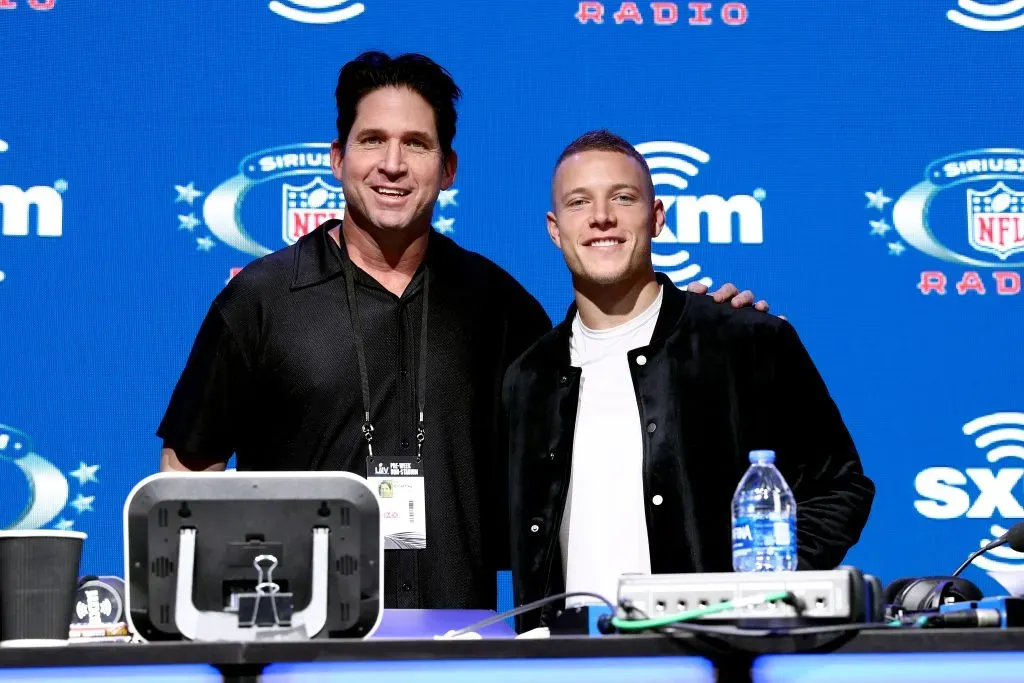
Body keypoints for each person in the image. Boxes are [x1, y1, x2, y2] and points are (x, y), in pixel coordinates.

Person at [156, 52, 768, 610]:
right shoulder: (260, 300)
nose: (392, 164)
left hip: (458, 642)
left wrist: (692, 329)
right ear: (338, 158)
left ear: (447, 168)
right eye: (373, 140)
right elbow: (187, 473)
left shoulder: (497, 303)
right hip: (300, 645)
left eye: (417, 145)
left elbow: (600, 403)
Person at [503, 130, 875, 631]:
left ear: (656, 217)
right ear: (555, 228)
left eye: (623, 197)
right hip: (566, 663)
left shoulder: (746, 341)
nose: (601, 218)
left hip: (711, 656)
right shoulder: (528, 378)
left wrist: (763, 598)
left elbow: (839, 487)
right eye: (579, 202)